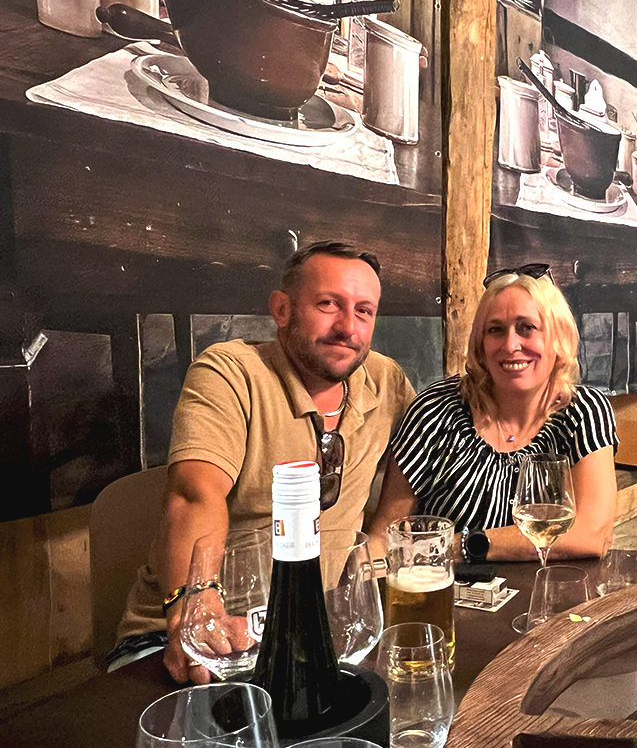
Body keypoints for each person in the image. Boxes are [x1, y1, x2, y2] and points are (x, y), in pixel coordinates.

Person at [111, 241, 415, 684]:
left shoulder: (386, 381)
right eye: (328, 305)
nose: (348, 327)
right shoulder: (230, 373)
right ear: (282, 309)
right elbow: (194, 495)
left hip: (317, 633)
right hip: (187, 639)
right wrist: (197, 610)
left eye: (364, 311)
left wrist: (375, 552)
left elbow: (416, 470)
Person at [367, 265, 617, 563]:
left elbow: (593, 534)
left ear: (557, 338)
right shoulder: (436, 410)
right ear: (480, 343)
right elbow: (386, 536)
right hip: (444, 589)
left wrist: (464, 545)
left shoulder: (583, 411)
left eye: (526, 327)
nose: (510, 345)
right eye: (495, 330)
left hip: (550, 590)